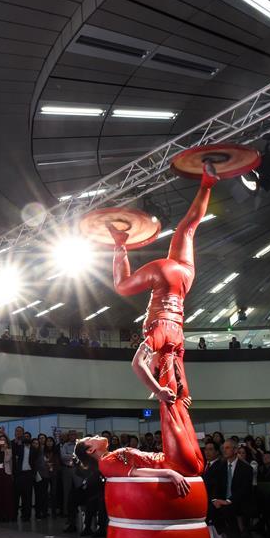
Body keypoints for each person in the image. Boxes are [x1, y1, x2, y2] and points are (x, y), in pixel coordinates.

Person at [106, 168, 217, 478]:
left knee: (188, 229)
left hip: (183, 277)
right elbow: (137, 365)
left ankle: (208, 183)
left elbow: (174, 369)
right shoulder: (159, 338)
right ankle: (119, 243)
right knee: (123, 285)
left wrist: (177, 391)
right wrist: (159, 390)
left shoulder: (173, 344)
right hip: (169, 281)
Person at [205, 439, 254, 538]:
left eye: (227, 448)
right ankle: (231, 537)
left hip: (239, 500)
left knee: (228, 509)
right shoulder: (221, 467)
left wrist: (228, 501)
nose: (224, 450)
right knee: (211, 508)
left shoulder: (246, 468)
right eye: (223, 448)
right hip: (223, 499)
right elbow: (216, 486)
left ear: (235, 449)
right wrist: (215, 500)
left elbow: (244, 490)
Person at [13, 431, 37, 521]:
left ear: (30, 438)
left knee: (27, 497)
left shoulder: (34, 449)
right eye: (25, 436)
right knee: (16, 496)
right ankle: (14, 515)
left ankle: (26, 516)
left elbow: (35, 463)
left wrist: (33, 474)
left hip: (28, 474)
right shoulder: (19, 447)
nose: (26, 438)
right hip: (19, 474)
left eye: (28, 436)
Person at [0, 432, 14, 521]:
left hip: (6, 473)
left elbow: (7, 460)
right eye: (0, 440)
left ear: (7, 442)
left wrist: (4, 450)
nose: (2, 442)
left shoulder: (9, 450)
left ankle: (7, 514)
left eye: (4, 440)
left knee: (7, 494)